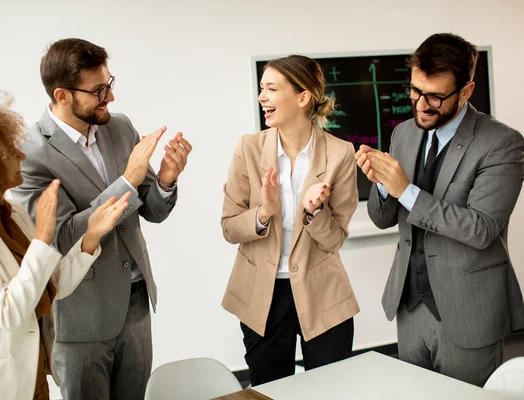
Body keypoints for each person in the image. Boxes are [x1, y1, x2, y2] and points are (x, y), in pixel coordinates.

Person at [9, 38, 192, 400]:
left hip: (136, 302)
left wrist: (167, 179)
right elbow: (61, 238)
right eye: (98, 90)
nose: (110, 97)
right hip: (80, 314)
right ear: (62, 95)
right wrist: (128, 180)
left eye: (110, 83)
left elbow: (152, 210)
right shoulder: (30, 153)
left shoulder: (120, 127)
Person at [0, 96, 130, 400]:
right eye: (10, 150)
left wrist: (91, 236)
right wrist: (43, 237)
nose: (21, 155)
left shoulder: (12, 212)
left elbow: (51, 283)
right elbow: (8, 312)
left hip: (36, 376)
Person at [356, 33, 524, 386]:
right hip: (409, 307)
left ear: (465, 91)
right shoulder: (402, 133)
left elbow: (481, 229)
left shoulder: (503, 144)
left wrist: (408, 191)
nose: (420, 105)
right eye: (415, 91)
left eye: (434, 96)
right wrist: (383, 187)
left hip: (470, 311)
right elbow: (381, 218)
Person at [221, 55, 359, 385]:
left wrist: (314, 213)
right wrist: (264, 212)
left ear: (303, 97)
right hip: (262, 297)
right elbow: (229, 227)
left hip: (324, 296)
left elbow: (335, 238)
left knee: (330, 391)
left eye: (271, 89)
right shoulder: (248, 149)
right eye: (260, 89)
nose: (262, 97)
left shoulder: (341, 153)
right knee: (270, 391)